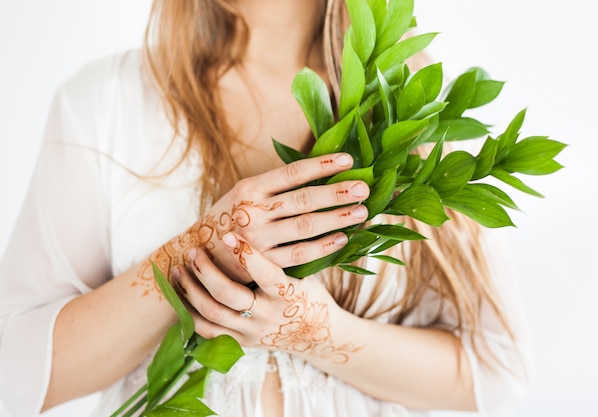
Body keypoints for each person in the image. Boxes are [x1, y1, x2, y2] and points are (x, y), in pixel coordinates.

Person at [0, 0, 532, 416]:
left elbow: (495, 375)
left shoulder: (408, 108)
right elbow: (15, 370)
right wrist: (195, 254)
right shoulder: (105, 102)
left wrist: (317, 334)